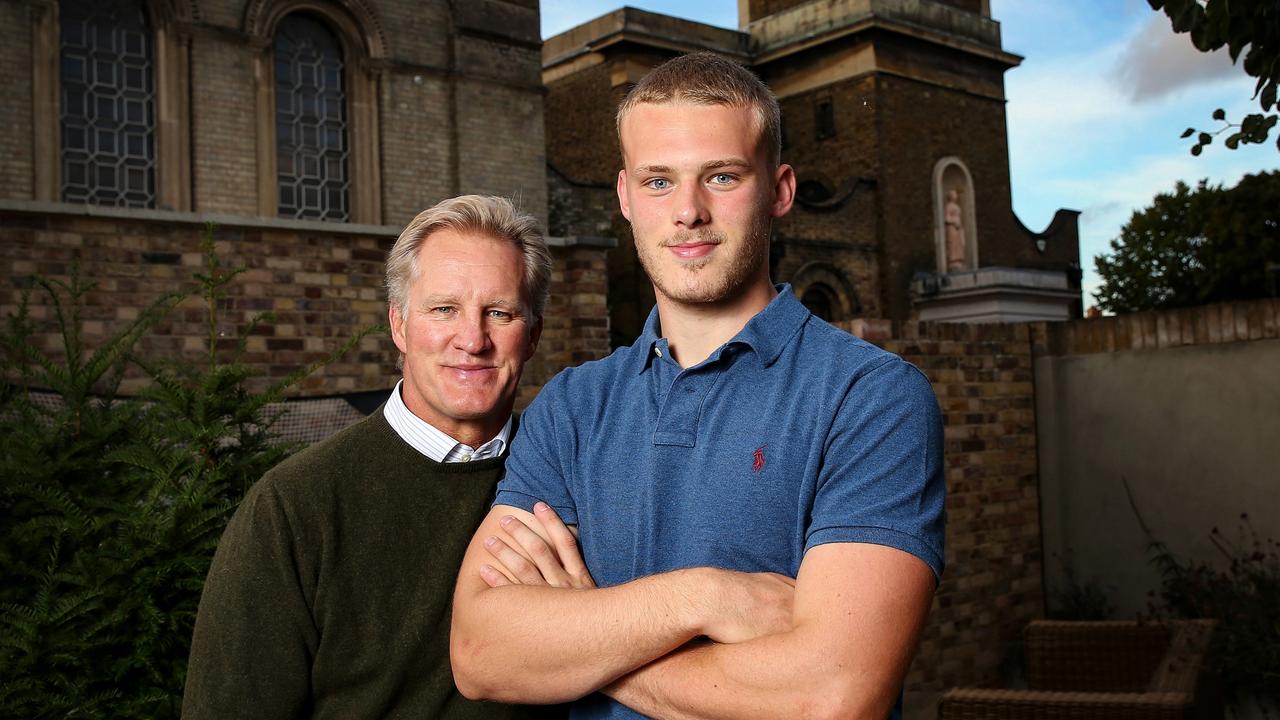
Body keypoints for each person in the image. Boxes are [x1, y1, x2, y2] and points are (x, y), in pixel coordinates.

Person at [450, 53, 945, 720]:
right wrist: (706, 597)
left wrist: (581, 647)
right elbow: (481, 652)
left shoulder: (870, 399)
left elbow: (829, 698)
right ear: (625, 196)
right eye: (658, 181)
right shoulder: (571, 407)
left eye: (721, 176)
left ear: (780, 190)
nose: (687, 211)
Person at [183, 195, 562, 719]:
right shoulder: (296, 506)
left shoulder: (567, 484)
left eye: (499, 313)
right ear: (399, 326)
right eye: (443, 309)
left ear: (533, 335)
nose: (472, 340)